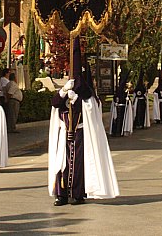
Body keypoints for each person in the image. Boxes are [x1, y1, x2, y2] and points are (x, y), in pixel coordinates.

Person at [48, 37, 119, 206]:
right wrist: (64, 91)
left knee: (78, 165)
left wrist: (78, 97)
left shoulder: (88, 97)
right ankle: (61, 194)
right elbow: (55, 104)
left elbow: (91, 108)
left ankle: (77, 194)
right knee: (62, 165)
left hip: (80, 134)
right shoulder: (66, 92)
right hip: (64, 135)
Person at [110, 69, 133, 137]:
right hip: (120, 108)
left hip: (120, 107)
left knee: (119, 120)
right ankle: (117, 131)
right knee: (118, 120)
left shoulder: (122, 92)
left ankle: (118, 131)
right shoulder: (121, 93)